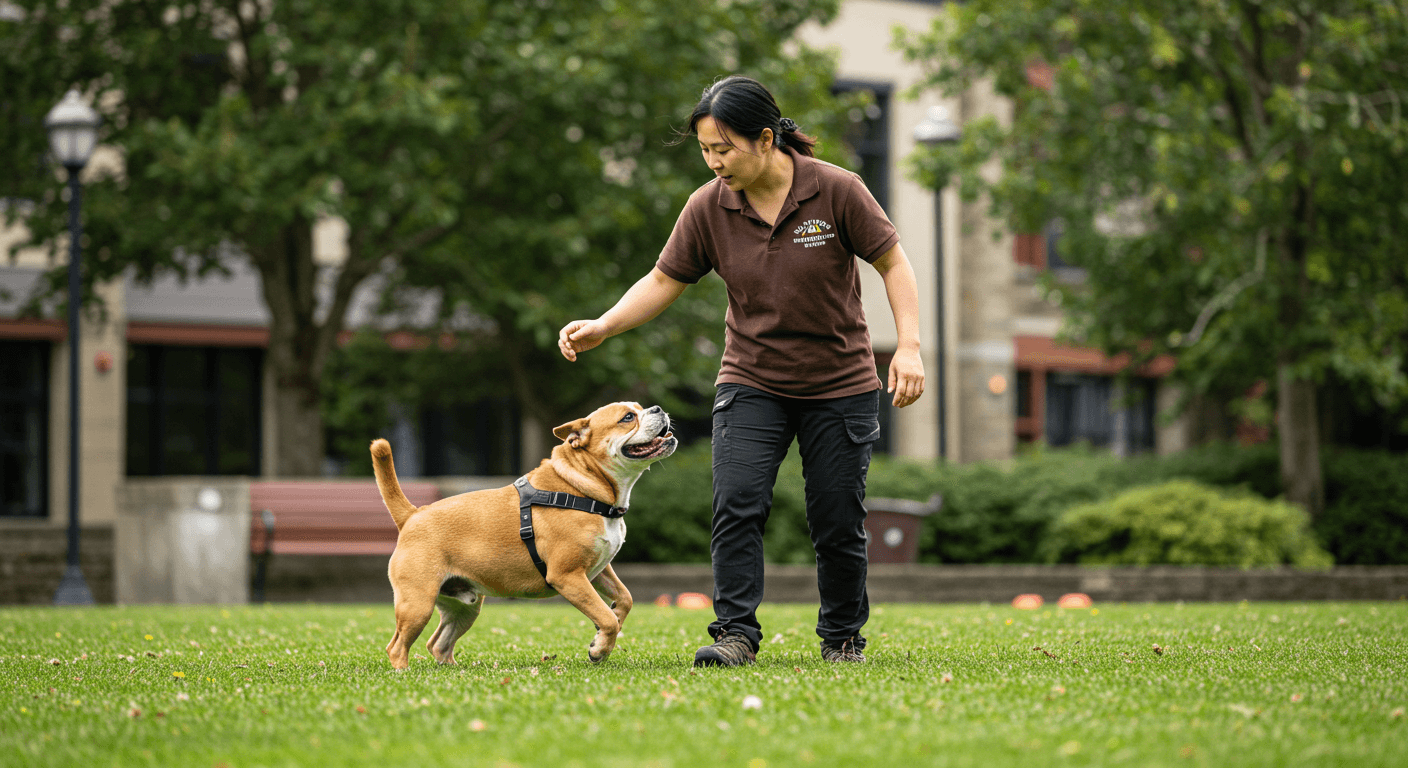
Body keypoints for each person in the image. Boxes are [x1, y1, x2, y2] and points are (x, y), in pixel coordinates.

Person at [557, 75, 924, 666]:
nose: (714, 162)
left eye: (723, 149)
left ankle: (842, 640)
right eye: (705, 150)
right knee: (738, 503)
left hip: (840, 383)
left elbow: (894, 263)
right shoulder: (709, 205)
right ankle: (734, 636)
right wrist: (604, 324)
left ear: (764, 139)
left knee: (835, 516)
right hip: (752, 379)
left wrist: (907, 345)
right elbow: (662, 280)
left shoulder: (836, 190)